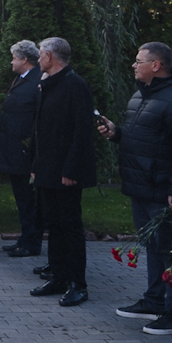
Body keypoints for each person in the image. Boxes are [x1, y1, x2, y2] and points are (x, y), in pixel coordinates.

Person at [100, 42, 172, 334]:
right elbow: (143, 136)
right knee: (153, 246)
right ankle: (154, 301)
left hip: (161, 188)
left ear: (156, 65)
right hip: (140, 185)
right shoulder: (142, 93)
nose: (134, 65)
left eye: (139, 61)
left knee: (171, 250)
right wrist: (116, 133)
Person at [29, 38, 98, 306]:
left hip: (66, 171)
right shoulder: (48, 85)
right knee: (53, 225)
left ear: (49, 56)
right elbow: (42, 130)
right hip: (47, 169)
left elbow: (82, 131)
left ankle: (78, 284)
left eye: (40, 55)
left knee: (70, 226)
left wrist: (71, 169)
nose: (38, 60)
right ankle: (58, 276)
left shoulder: (75, 85)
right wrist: (36, 167)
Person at [0, 42, 45, 259]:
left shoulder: (37, 81)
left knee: (28, 200)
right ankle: (25, 238)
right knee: (22, 199)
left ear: (24, 59)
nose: (11, 62)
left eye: (14, 58)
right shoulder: (21, 79)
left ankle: (32, 242)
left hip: (24, 151)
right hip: (14, 149)